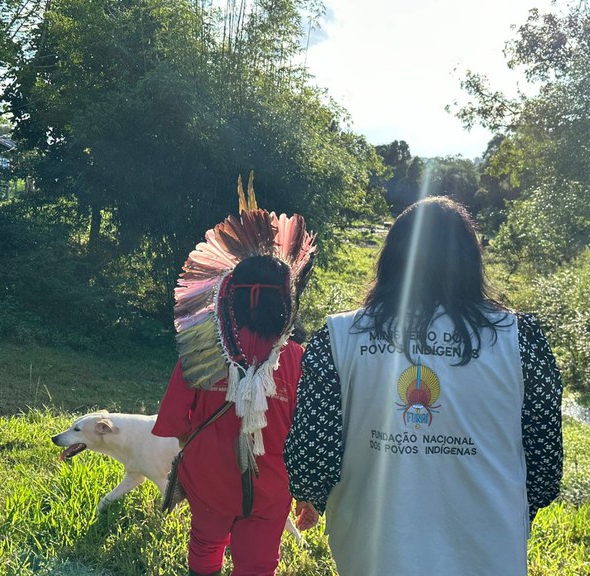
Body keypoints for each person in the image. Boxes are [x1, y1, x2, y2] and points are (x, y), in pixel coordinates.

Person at [284, 196, 563, 576]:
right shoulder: (520, 338)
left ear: (391, 259)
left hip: (374, 551)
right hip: (490, 549)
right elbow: (544, 466)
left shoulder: (338, 337)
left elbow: (310, 462)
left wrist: (312, 496)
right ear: (470, 261)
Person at [153, 185, 316, 576]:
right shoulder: (298, 360)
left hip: (208, 481)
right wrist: (308, 496)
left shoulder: (201, 350)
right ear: (287, 303)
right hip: (272, 490)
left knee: (205, 545)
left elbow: (174, 421)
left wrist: (201, 454)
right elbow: (308, 437)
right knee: (257, 563)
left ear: (229, 297)